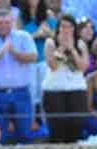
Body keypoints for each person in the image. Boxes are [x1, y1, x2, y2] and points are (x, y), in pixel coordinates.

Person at [0, 8, 37, 144]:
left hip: (20, 92)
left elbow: (33, 57)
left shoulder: (24, 36)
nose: (3, 25)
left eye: (6, 22)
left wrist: (14, 52)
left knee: (25, 135)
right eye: (0, 23)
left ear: (12, 22)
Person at [41, 13, 88, 142]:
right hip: (54, 91)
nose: (66, 30)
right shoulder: (50, 43)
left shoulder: (81, 44)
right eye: (63, 26)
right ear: (58, 28)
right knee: (57, 128)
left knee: (76, 127)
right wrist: (61, 48)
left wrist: (72, 49)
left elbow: (83, 67)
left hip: (76, 90)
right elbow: (53, 66)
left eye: (69, 27)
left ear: (74, 28)